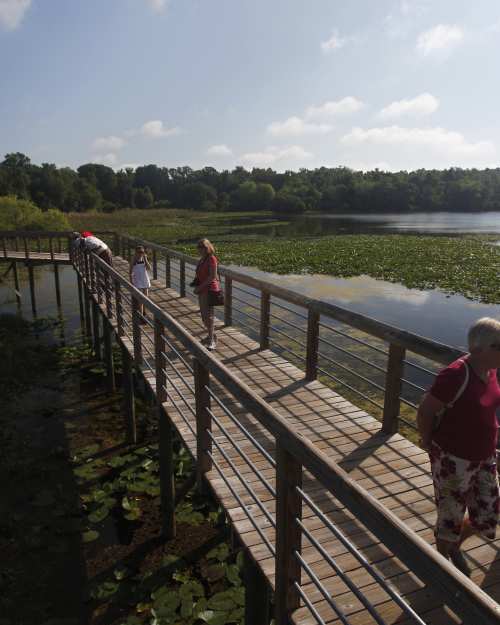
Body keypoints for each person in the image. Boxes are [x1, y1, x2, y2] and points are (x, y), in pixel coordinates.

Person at [417, 317, 500, 576]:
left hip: (485, 456)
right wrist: (427, 440)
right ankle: (442, 566)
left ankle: (453, 544)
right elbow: (426, 411)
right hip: (454, 459)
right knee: (450, 518)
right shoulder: (455, 375)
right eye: (499, 346)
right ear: (478, 349)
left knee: (488, 513)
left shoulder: (492, 370)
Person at [193, 238, 221, 350]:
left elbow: (212, 276)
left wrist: (200, 287)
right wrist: (196, 283)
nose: (201, 249)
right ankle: (211, 335)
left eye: (203, 247)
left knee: (208, 316)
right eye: (199, 247)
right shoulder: (202, 259)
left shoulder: (211, 259)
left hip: (209, 290)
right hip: (202, 290)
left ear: (208, 247)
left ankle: (212, 340)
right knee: (204, 317)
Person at [129, 245, 151, 320]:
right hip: (137, 281)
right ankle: (141, 316)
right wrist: (131, 282)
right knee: (140, 300)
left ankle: (144, 312)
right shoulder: (133, 260)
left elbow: (149, 268)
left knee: (146, 298)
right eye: (139, 252)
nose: (140, 254)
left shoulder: (144, 259)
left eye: (142, 252)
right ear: (135, 252)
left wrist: (145, 259)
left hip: (145, 279)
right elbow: (130, 272)